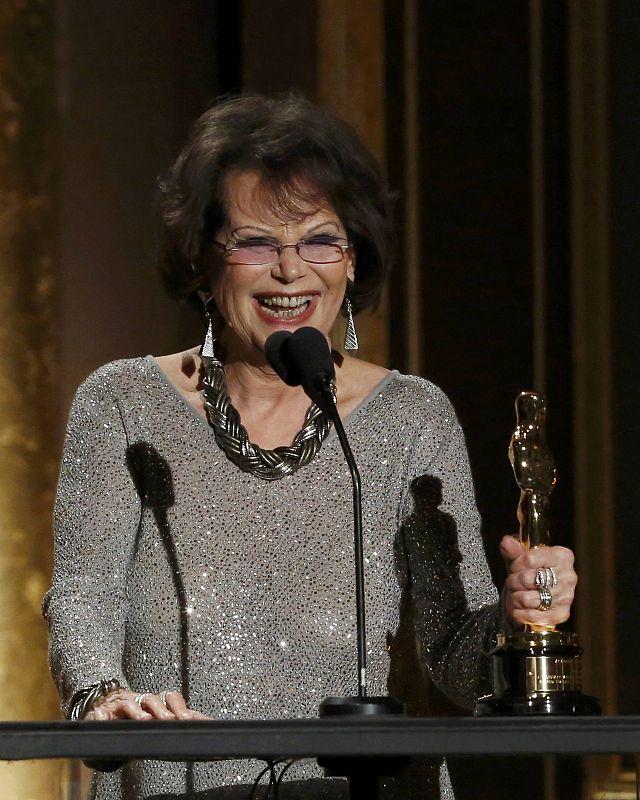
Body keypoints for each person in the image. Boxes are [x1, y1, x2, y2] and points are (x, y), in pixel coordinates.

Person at [43, 94, 577, 800]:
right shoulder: (122, 405)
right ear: (205, 263)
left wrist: (515, 622)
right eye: (256, 242)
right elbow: (83, 597)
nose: (291, 270)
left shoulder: (411, 417)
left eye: (321, 240)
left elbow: (455, 657)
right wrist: (102, 695)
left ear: (353, 263)